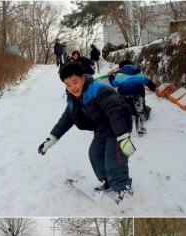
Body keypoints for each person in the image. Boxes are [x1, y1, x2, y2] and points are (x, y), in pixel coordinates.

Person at [37, 62, 135, 204]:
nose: (72, 88)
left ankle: (124, 189)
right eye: (68, 85)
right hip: (101, 129)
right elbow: (66, 119)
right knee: (95, 154)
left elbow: (116, 111)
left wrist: (124, 136)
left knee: (114, 159)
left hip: (118, 127)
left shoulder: (98, 90)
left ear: (83, 79)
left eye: (75, 82)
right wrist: (51, 139)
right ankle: (108, 180)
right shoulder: (73, 99)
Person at [108, 60, 157, 137]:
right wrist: (154, 88)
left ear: (121, 67)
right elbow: (147, 81)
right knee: (139, 111)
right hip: (138, 93)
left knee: (123, 111)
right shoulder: (138, 72)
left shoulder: (120, 73)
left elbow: (115, 84)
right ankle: (140, 130)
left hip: (123, 94)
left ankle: (124, 130)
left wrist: (110, 76)